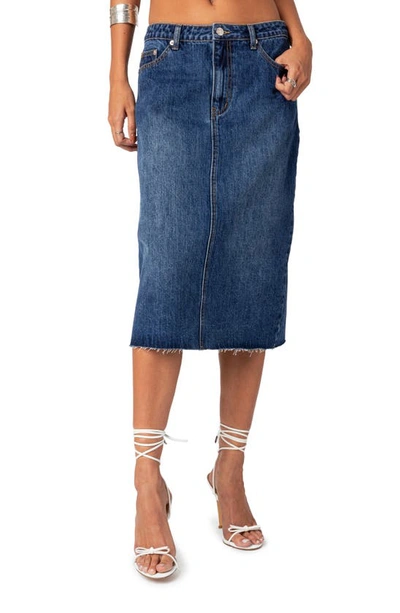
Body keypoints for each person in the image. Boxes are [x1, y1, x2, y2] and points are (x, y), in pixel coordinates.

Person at [108, 0, 312, 579]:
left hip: (263, 59)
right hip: (171, 60)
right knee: (167, 274)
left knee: (251, 269)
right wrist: (117, 71)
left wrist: (300, 36)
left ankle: (230, 468)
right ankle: (148, 479)